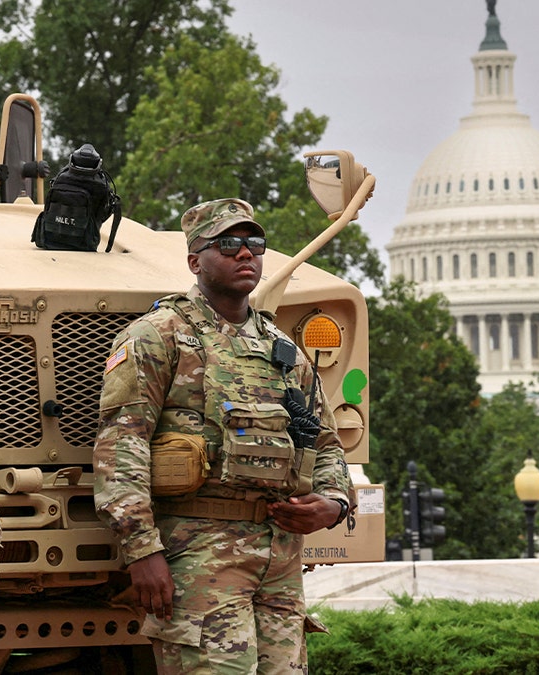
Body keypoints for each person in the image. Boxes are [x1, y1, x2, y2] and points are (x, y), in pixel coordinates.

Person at [93, 198, 354, 673]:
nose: (246, 254)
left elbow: (324, 441)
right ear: (195, 260)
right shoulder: (159, 335)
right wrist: (141, 550)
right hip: (199, 552)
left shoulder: (282, 349)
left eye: (255, 244)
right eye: (228, 243)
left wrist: (334, 503)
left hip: (279, 559)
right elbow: (121, 445)